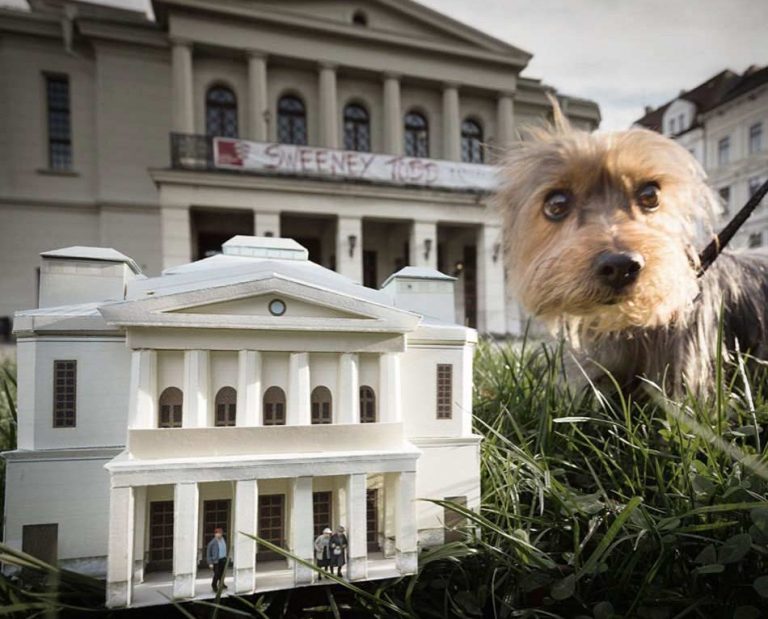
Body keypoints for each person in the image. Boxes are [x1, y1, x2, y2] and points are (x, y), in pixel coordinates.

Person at [206, 527, 228, 592]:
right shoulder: (212, 543)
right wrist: (210, 563)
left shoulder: (223, 539)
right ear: (215, 534)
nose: (219, 534)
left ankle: (221, 584)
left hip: (223, 559)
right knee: (217, 574)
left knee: (222, 573)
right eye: (217, 533)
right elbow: (208, 553)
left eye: (220, 533)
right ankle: (214, 585)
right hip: (216, 561)